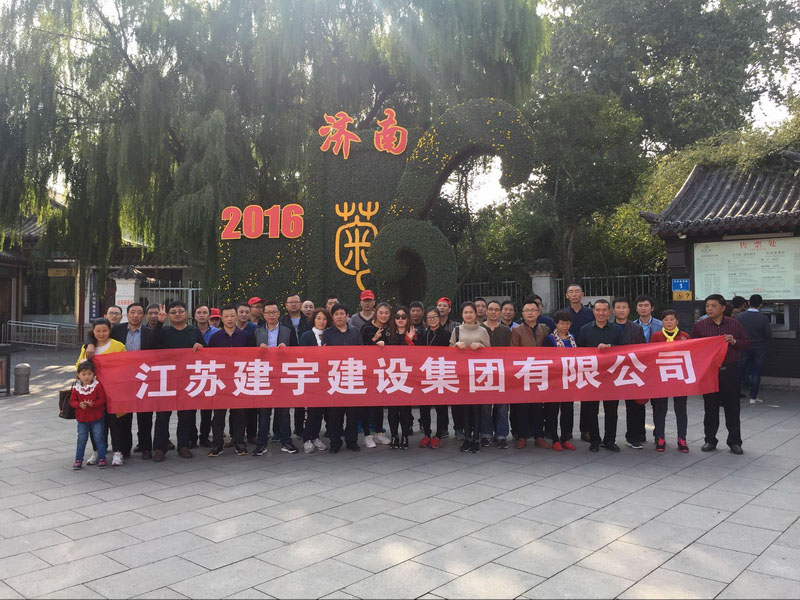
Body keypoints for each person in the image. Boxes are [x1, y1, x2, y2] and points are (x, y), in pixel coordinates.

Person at [693, 294, 751, 455]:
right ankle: (710, 440)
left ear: (723, 308)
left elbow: (746, 343)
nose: (709, 309)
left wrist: (734, 341)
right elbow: (693, 348)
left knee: (732, 407)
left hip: (730, 370)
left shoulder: (734, 324)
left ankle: (735, 442)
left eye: (713, 306)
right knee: (710, 407)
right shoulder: (700, 326)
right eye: (707, 306)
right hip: (710, 372)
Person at [153, 300, 205, 461]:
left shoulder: (193, 330)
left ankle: (183, 445)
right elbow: (151, 345)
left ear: (186, 313)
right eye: (173, 312)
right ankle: (159, 448)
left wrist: (200, 346)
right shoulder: (164, 331)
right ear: (168, 315)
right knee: (162, 416)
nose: (177, 314)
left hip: (187, 379)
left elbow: (206, 349)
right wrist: (159, 323)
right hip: (166, 379)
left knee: (186, 415)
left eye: (180, 311)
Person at [76, 318, 126, 466]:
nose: (101, 334)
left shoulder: (118, 346)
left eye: (104, 330)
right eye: (98, 331)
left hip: (113, 393)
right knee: (96, 424)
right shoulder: (87, 348)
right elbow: (79, 367)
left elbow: (125, 365)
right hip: (93, 393)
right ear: (93, 332)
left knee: (115, 424)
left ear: (110, 331)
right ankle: (97, 451)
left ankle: (117, 452)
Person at [207, 304, 254, 458]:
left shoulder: (245, 336)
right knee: (218, 415)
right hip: (221, 381)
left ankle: (240, 442)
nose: (229, 319)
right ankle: (217, 444)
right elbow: (209, 359)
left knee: (239, 414)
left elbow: (251, 357)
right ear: (221, 318)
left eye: (232, 316)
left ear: (236, 317)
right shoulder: (215, 337)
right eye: (226, 316)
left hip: (239, 380)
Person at [577, 299, 624, 452]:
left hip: (611, 376)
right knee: (591, 410)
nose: (601, 313)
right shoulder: (585, 329)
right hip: (592, 376)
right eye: (598, 310)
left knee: (611, 411)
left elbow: (624, 350)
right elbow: (579, 352)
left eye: (604, 310)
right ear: (593, 311)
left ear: (609, 312)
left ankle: (610, 440)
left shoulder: (616, 330)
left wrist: (610, 348)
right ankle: (594, 440)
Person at [255, 300, 300, 455]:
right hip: (264, 375)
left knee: (284, 411)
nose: (271, 315)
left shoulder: (288, 330)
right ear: (264, 315)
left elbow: (297, 350)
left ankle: (286, 442)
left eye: (274, 312)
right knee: (264, 412)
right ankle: (261, 443)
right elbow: (249, 353)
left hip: (283, 375)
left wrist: (287, 350)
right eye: (268, 312)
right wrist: (258, 349)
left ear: (279, 314)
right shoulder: (257, 331)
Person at [510, 298, 553, 450]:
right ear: (522, 313)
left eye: (533, 310)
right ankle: (522, 436)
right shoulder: (517, 330)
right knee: (522, 407)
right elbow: (513, 352)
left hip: (540, 372)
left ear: (538, 312)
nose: (530, 313)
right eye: (527, 310)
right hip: (523, 373)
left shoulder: (544, 328)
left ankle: (539, 436)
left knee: (538, 407)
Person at [321, 303, 363, 452]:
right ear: (332, 317)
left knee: (352, 413)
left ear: (347, 316)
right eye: (336, 314)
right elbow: (324, 354)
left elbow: (362, 352)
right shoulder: (327, 333)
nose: (339, 317)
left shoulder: (355, 332)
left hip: (352, 377)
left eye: (342, 313)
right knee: (335, 414)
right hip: (335, 377)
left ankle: (352, 441)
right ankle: (335, 442)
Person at [450, 302, 490, 453]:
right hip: (462, 375)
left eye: (471, 312)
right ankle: (467, 438)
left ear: (475, 314)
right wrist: (456, 346)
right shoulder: (457, 330)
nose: (468, 315)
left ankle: (476, 439)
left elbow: (491, 352)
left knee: (477, 408)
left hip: (478, 375)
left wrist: (480, 347)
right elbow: (448, 352)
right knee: (465, 408)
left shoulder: (482, 331)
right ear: (462, 314)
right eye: (465, 312)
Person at [650, 310, 691, 452]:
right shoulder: (656, 336)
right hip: (661, 377)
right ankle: (660, 437)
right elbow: (651, 355)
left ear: (677, 321)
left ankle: (682, 438)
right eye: (666, 319)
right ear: (662, 321)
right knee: (660, 409)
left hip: (679, 377)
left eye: (672, 319)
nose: (669, 322)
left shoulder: (684, 336)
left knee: (681, 409)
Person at [612, 297, 647, 450]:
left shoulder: (636, 328)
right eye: (618, 307)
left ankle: (633, 437)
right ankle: (609, 439)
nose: (621, 310)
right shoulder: (608, 327)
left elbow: (642, 350)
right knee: (611, 407)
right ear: (613, 310)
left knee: (634, 406)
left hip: (631, 371)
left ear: (629, 310)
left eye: (624, 307)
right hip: (611, 371)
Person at [542, 310, 578, 450]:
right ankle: (554, 439)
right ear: (556, 324)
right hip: (554, 380)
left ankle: (565, 437)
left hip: (569, 379)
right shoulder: (549, 339)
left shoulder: (572, 338)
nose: (565, 326)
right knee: (552, 410)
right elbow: (545, 359)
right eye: (562, 323)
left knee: (567, 410)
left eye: (567, 323)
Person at [360, 302, 393, 448]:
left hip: (384, 371)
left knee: (379, 404)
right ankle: (367, 435)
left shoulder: (391, 328)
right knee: (367, 404)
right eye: (381, 312)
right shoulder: (366, 327)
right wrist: (373, 341)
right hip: (368, 371)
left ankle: (379, 432)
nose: (384, 316)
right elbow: (360, 348)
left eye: (386, 313)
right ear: (376, 313)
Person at [299, 308, 331, 454]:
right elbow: (302, 355)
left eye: (324, 319)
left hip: (326, 378)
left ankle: (315, 436)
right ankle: (307, 438)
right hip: (310, 377)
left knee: (320, 411)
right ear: (313, 319)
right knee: (310, 411)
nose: (321, 321)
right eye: (318, 318)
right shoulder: (306, 335)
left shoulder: (329, 335)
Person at [480, 300, 511, 449]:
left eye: (496, 310)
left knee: (502, 407)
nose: (493, 312)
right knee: (485, 406)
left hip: (502, 373)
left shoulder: (506, 330)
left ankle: (501, 435)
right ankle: (486, 434)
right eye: (491, 309)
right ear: (486, 311)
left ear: (500, 312)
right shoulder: (479, 328)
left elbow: (511, 352)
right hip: (484, 373)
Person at [385, 305, 417, 449]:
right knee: (392, 409)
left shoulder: (414, 333)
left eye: (403, 317)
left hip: (407, 376)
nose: (400, 319)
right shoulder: (388, 333)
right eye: (397, 317)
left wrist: (409, 340)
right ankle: (394, 435)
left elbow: (417, 355)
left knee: (405, 409)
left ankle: (405, 435)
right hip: (391, 375)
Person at [419, 306, 450, 448]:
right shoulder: (422, 334)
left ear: (439, 318)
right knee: (424, 407)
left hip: (440, 374)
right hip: (425, 374)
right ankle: (426, 433)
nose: (432, 320)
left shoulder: (446, 334)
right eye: (429, 317)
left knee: (440, 407)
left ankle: (438, 435)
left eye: (434, 317)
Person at [280, 293, 311, 436]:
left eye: (296, 302)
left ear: (300, 304)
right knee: (284, 399)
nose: (293, 304)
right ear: (286, 305)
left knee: (302, 397)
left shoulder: (309, 320)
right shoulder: (281, 321)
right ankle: (280, 431)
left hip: (306, 362)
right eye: (290, 302)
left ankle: (300, 428)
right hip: (286, 363)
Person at [70, 360, 108, 470]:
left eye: (89, 374)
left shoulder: (97, 386)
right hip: (82, 419)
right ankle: (78, 460)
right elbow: (72, 401)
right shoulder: (76, 387)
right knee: (81, 439)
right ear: (78, 375)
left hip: (97, 417)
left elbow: (102, 399)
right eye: (83, 374)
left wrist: (93, 404)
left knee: (99, 438)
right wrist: (79, 404)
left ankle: (102, 458)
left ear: (93, 374)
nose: (86, 377)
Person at [736, 294, 772, 404]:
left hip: (743, 346)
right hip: (759, 347)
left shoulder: (740, 316)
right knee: (756, 372)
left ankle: (736, 393)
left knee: (740, 371)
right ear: (760, 304)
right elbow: (768, 334)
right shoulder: (763, 318)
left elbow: (736, 332)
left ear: (748, 303)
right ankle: (753, 397)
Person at [194, 303, 219, 449]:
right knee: (189, 408)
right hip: (192, 372)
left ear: (209, 316)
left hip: (210, 372)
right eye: (199, 313)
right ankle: (191, 437)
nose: (202, 315)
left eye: (204, 313)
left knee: (207, 409)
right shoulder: (190, 330)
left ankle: (204, 436)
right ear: (194, 315)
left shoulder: (216, 333)